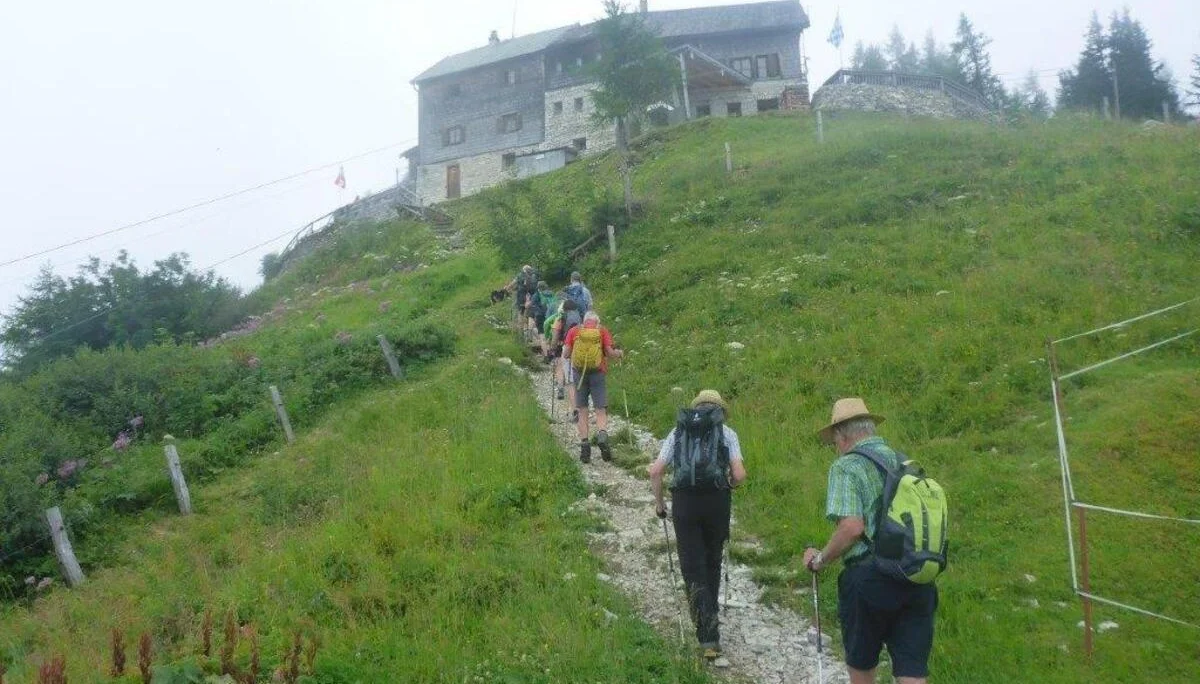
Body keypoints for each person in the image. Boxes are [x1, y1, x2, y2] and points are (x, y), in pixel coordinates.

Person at [804, 398, 939, 684]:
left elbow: (852, 528)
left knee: (862, 663)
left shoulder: (846, 467)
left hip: (870, 578)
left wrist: (821, 559)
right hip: (916, 573)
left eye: (833, 442)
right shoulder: (903, 462)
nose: (835, 447)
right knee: (912, 670)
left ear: (841, 435)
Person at [648, 390, 746, 661]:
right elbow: (739, 474)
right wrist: (728, 487)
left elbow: (656, 471)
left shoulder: (677, 432)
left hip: (685, 503)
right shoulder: (728, 434)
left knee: (692, 565)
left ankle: (707, 635)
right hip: (717, 502)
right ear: (719, 411)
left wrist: (660, 504)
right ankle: (710, 617)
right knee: (713, 560)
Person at [562, 311, 622, 462]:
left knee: (582, 410)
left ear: (584, 321)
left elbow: (566, 354)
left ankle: (585, 447)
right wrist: (619, 353)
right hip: (598, 373)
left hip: (579, 375)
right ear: (597, 321)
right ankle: (602, 435)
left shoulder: (574, 331)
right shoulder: (601, 331)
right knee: (600, 409)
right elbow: (609, 352)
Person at [504, 264, 539, 331]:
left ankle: (521, 327)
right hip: (531, 295)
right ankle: (530, 327)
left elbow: (513, 283)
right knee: (530, 310)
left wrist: (507, 288)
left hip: (522, 295)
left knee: (521, 311)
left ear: (523, 270)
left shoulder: (520, 275)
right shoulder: (533, 276)